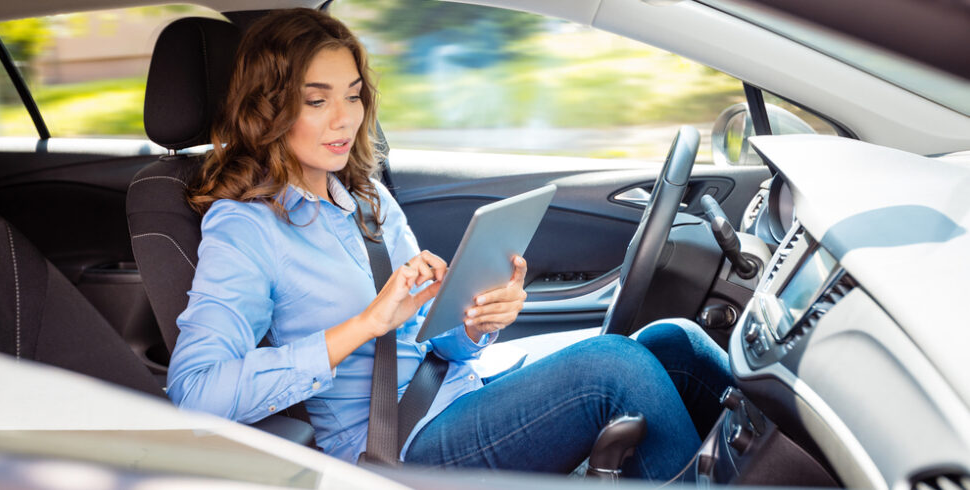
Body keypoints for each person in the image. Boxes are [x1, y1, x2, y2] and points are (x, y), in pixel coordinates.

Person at [166, 8, 732, 480]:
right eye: (316, 101)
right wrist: (366, 323)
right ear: (270, 108)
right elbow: (195, 395)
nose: (344, 118)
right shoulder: (245, 227)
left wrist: (473, 324)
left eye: (354, 95)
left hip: (453, 386)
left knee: (674, 342)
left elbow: (431, 346)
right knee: (617, 369)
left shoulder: (366, 200)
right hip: (393, 444)